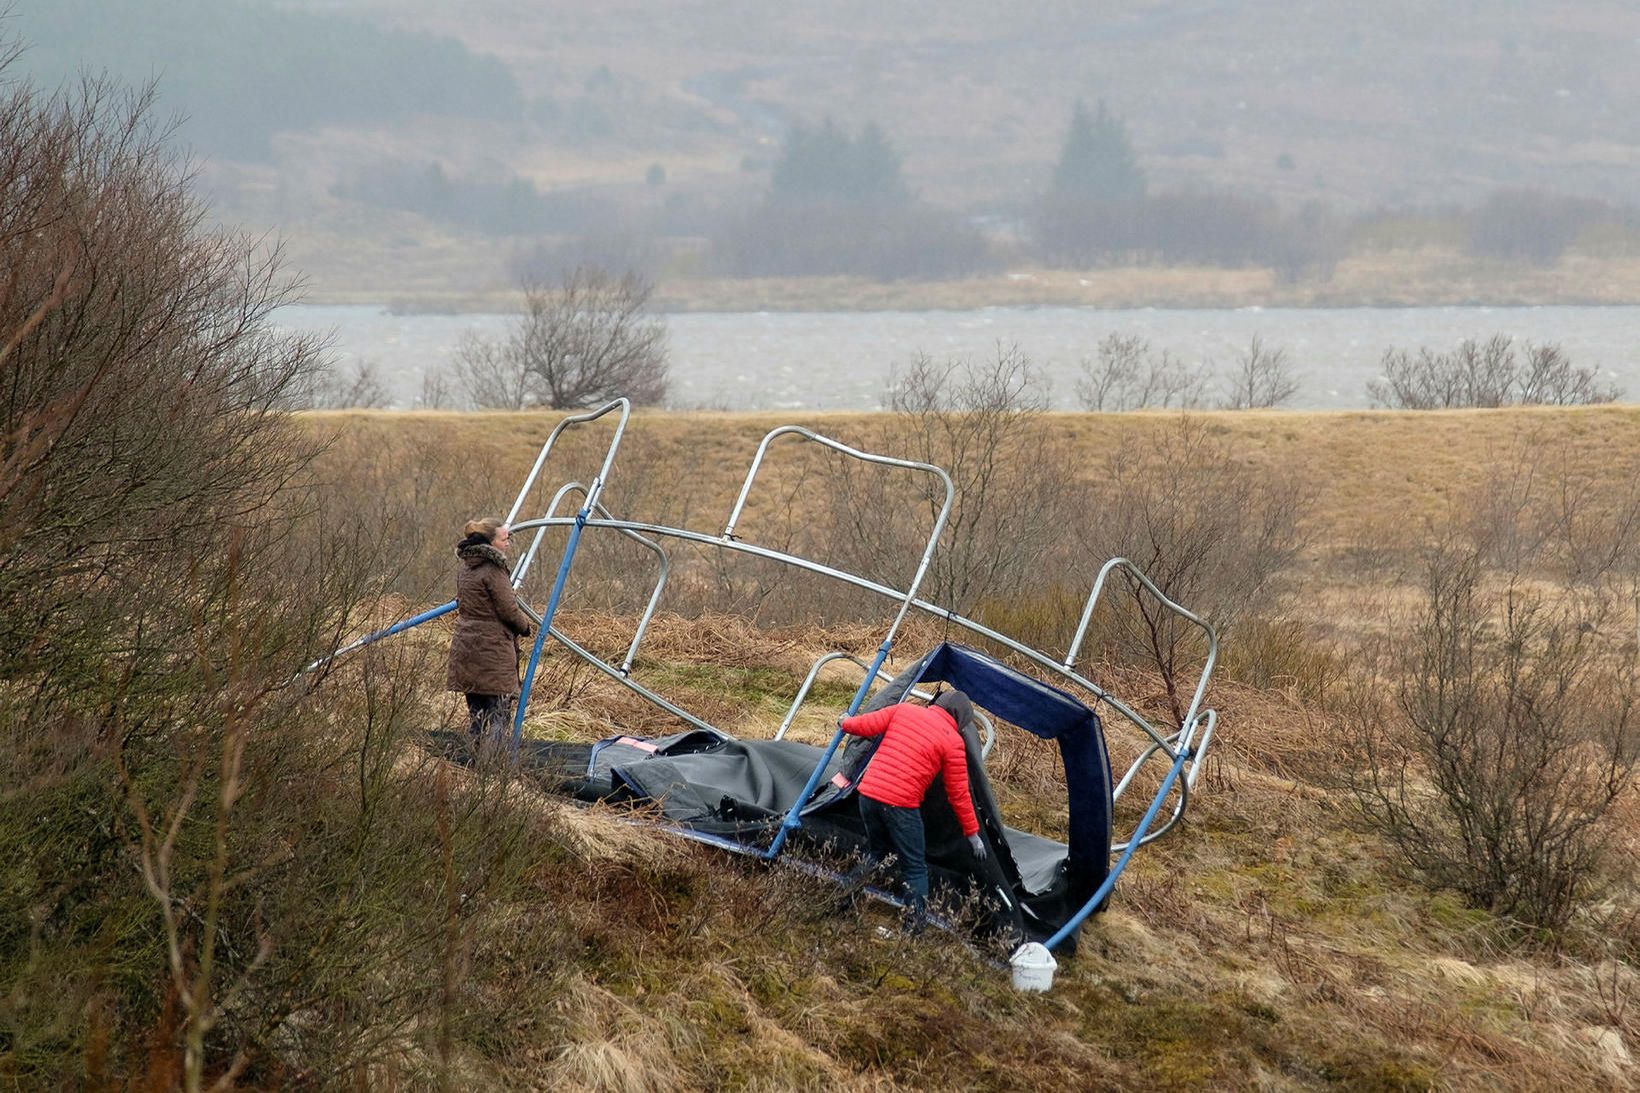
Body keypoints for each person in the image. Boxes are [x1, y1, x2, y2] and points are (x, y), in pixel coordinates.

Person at [837, 689, 987, 931]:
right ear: (961, 719)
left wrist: (844, 721)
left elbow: (863, 726)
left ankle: (841, 903)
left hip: (868, 795)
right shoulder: (953, 741)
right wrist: (972, 834)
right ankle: (913, 928)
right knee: (915, 868)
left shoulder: (904, 710)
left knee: (876, 854)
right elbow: (958, 794)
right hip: (900, 806)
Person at [447, 517, 535, 746]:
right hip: (492, 649)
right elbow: (508, 609)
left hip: (466, 646)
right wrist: (525, 627)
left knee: (477, 716)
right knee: (500, 714)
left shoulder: (466, 566)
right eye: (504, 539)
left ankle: (471, 766)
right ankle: (491, 770)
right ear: (491, 542)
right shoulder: (494, 569)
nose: (508, 544)